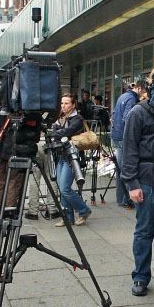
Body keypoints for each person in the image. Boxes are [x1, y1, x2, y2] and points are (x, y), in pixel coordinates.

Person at [121, 65, 154, 297]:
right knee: (144, 231)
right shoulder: (138, 112)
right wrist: (131, 184)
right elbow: (129, 150)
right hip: (146, 178)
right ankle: (141, 276)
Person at [0, 107, 42, 216]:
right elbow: (33, 135)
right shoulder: (21, 113)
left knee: (0, 182)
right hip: (16, 151)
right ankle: (9, 212)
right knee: (13, 182)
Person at [51, 94, 91, 227]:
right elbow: (58, 132)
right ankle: (67, 217)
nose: (63, 106)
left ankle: (84, 210)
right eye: (62, 103)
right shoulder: (61, 118)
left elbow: (65, 132)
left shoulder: (77, 119)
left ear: (73, 105)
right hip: (61, 156)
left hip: (72, 157)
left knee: (65, 188)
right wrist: (58, 133)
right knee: (62, 189)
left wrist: (56, 133)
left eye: (66, 103)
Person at [110, 81, 144, 208]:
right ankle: (126, 198)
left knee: (121, 169)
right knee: (127, 168)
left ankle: (121, 198)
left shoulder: (123, 96)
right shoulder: (131, 98)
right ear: (139, 88)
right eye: (144, 92)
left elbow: (114, 115)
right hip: (124, 137)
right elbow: (127, 119)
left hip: (117, 136)